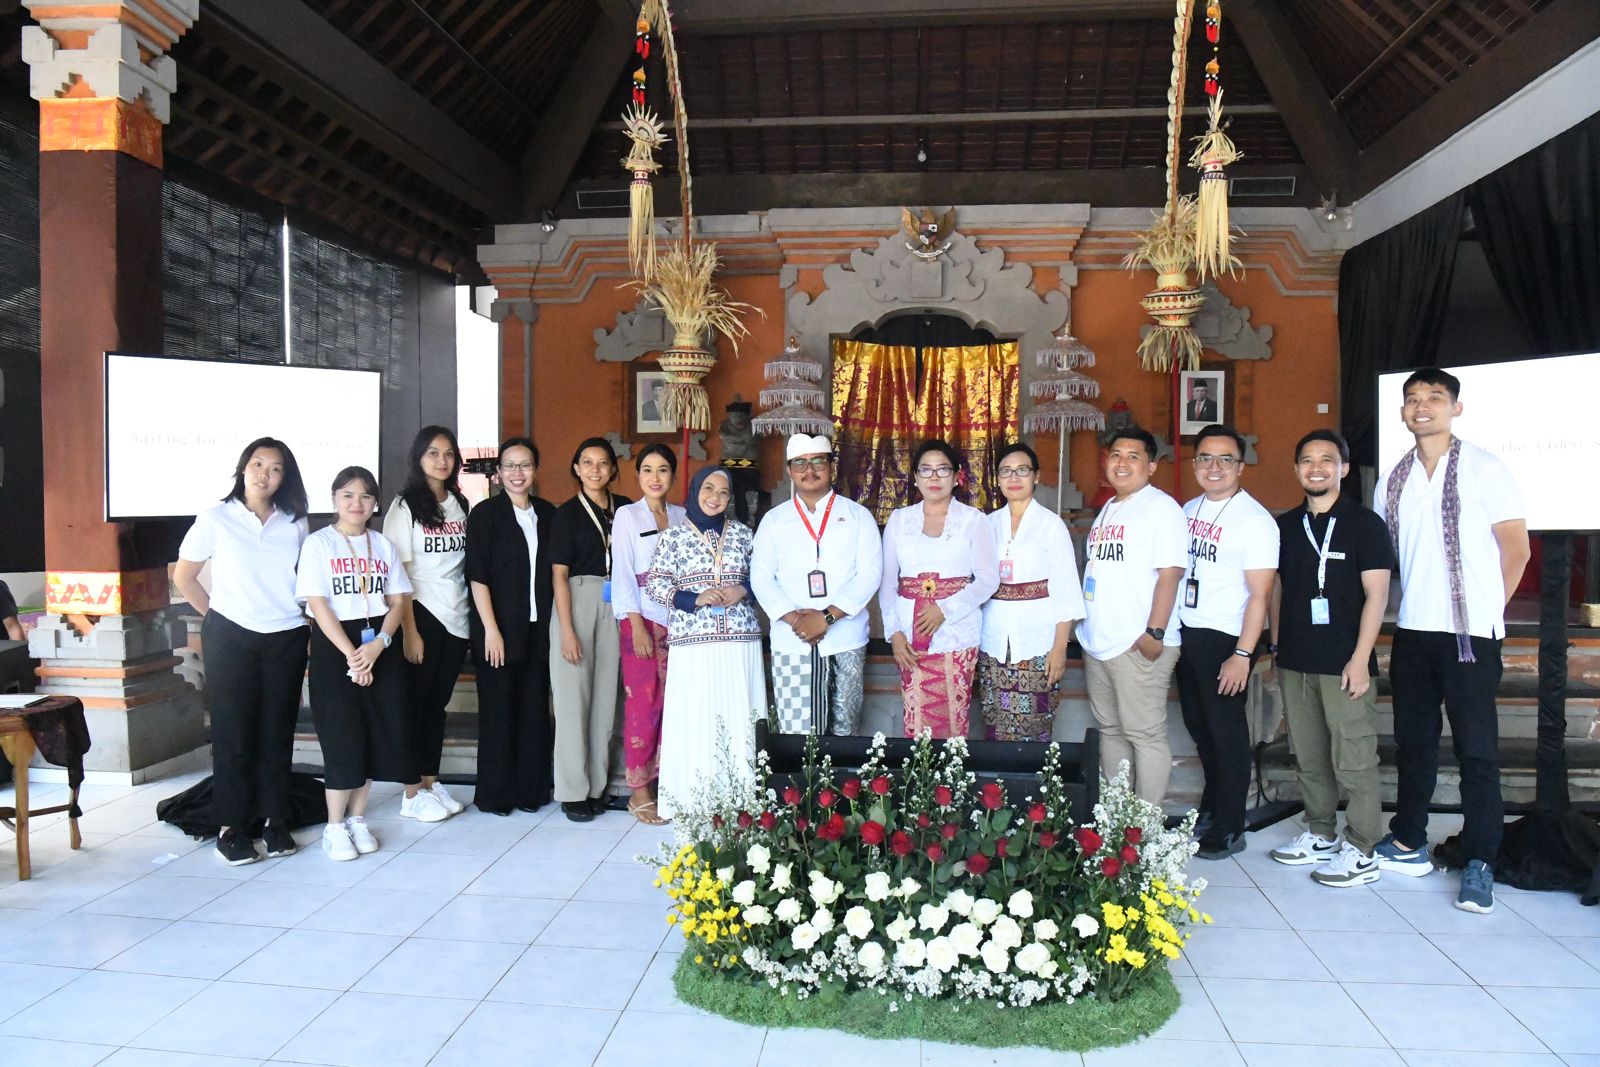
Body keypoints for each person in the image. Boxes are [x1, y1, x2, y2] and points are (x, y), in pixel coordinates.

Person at [1373, 368, 1529, 914]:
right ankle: (1407, 838)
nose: (1423, 407)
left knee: (1476, 750)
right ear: (1402, 411)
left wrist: (1487, 610)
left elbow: (1516, 550)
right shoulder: (1392, 478)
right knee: (1414, 743)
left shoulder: (1487, 468)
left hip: (1469, 637)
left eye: (1434, 398)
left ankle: (1481, 858)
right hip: (1414, 630)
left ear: (1455, 408)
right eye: (1412, 399)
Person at [174, 438, 310, 865]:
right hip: (231, 636)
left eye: (275, 467)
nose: (264, 473)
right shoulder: (216, 518)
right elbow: (186, 577)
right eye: (257, 464)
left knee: (276, 731)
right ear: (243, 468)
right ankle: (230, 827)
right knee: (233, 733)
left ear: (285, 476)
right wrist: (217, 616)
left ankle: (274, 820)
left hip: (286, 635)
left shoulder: (295, 521)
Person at [1269, 429, 1392, 887]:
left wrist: (1361, 659)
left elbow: (1376, 596)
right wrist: (1279, 646)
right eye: (1306, 460)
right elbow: (1278, 588)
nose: (1315, 467)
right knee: (1311, 756)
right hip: (1296, 662)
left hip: (1345, 663)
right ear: (1297, 468)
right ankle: (1320, 832)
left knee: (1355, 759)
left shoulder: (1366, 525)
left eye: (1326, 459)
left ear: (1343, 468)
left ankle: (1363, 848)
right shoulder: (1284, 526)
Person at [296, 466, 414, 862]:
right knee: (342, 739)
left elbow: (398, 602)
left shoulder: (382, 545)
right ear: (334, 500)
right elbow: (317, 603)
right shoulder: (318, 544)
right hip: (335, 648)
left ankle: (358, 819)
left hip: (379, 644)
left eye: (365, 496)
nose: (356, 503)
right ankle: (334, 826)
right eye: (347, 495)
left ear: (375, 503)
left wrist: (379, 644)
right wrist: (351, 654)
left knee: (371, 736)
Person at [1175, 424, 1279, 859]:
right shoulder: (1187, 509)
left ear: (1240, 466)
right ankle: (1212, 807)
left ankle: (1232, 825)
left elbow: (1260, 594)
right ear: (1195, 463)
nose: (1214, 468)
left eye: (1225, 460)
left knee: (1227, 734)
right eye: (1205, 459)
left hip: (1225, 638)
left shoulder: (1255, 521)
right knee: (1201, 731)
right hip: (1187, 633)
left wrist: (1242, 653)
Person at [646, 467, 765, 819]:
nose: (715, 497)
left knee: (738, 715)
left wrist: (742, 589)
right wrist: (693, 599)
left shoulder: (745, 535)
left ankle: (741, 800)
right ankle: (692, 798)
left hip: (739, 641)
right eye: (708, 489)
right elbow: (655, 584)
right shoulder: (673, 538)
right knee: (696, 716)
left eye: (723, 492)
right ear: (695, 490)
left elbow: (765, 579)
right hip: (693, 643)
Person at [1076, 428, 1187, 804]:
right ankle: (1118, 816)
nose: (1122, 463)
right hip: (1101, 642)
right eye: (1116, 455)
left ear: (1152, 466)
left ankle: (1144, 825)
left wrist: (1154, 633)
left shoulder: (1161, 508)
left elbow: (1170, 574)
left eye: (1133, 456)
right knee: (1111, 729)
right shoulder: (1111, 506)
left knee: (1144, 733)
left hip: (1138, 643)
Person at [751, 433, 882, 736]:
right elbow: (760, 576)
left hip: (845, 637)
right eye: (800, 463)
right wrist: (795, 618)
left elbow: (870, 574)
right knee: (797, 734)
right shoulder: (774, 520)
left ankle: (842, 785)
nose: (809, 470)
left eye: (818, 461)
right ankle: (801, 785)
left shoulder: (857, 516)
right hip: (791, 639)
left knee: (845, 731)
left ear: (832, 467)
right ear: (789, 471)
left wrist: (825, 618)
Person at [878, 440, 1000, 739]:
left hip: (957, 632)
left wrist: (944, 610)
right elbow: (887, 582)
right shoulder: (899, 520)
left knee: (953, 720)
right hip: (909, 633)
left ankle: (951, 784)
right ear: (915, 477)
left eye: (942, 469)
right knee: (916, 717)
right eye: (926, 470)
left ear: (957, 475)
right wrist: (893, 633)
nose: (934, 478)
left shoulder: (974, 520)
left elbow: (987, 579)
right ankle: (917, 785)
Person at [382, 425, 470, 823]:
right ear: (419, 458)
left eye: (449, 453)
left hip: (457, 616)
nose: (442, 460)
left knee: (437, 706)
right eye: (433, 453)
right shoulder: (404, 507)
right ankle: (411, 791)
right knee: (415, 705)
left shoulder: (459, 504)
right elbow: (396, 573)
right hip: (422, 614)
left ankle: (431, 784)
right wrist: (410, 632)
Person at [465, 437, 556, 816]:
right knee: (499, 710)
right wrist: (491, 629)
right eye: (510, 465)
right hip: (498, 629)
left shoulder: (548, 514)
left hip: (538, 629)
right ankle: (497, 795)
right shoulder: (485, 515)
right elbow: (478, 576)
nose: (518, 473)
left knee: (534, 710)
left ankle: (531, 791)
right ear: (499, 473)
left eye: (525, 465)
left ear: (536, 470)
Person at [977, 442, 1086, 742]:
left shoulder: (1051, 526)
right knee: (994, 721)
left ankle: (1030, 788)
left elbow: (1066, 589)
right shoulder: (987, 524)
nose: (1014, 477)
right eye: (1006, 471)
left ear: (1036, 476)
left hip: (1037, 641)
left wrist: (1059, 648)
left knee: (1034, 723)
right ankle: (998, 787)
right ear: (997, 479)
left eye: (1022, 470)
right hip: (994, 638)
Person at [550, 437, 630, 822]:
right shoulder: (565, 514)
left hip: (618, 602)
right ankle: (571, 790)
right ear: (577, 469)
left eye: (602, 463)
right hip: (578, 600)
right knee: (573, 700)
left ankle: (597, 786)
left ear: (613, 468)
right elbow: (558, 576)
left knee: (605, 700)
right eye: (587, 463)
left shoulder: (626, 509)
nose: (595, 470)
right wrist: (567, 630)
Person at [610, 444, 686, 824]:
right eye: (647, 470)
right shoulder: (627, 515)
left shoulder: (683, 516)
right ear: (638, 476)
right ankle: (639, 792)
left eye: (662, 470)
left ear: (672, 476)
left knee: (676, 704)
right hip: (640, 619)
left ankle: (669, 784)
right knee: (643, 704)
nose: (655, 478)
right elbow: (622, 572)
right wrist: (635, 622)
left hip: (680, 621)